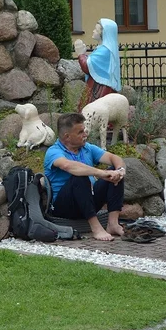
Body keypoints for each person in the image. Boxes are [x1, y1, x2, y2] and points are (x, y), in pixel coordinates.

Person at [43, 112, 126, 241]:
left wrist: (120, 171)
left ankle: (113, 224)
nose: (85, 134)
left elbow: (113, 158)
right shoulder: (53, 152)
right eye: (81, 132)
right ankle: (96, 228)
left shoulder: (87, 148)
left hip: (88, 201)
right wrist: (101, 173)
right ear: (67, 137)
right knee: (79, 177)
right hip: (64, 207)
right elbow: (68, 166)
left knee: (114, 172)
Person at [72, 19, 121, 107]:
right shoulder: (102, 49)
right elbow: (93, 63)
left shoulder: (105, 51)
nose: (93, 31)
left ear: (103, 33)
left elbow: (87, 66)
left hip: (100, 89)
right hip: (97, 85)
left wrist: (81, 54)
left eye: (96, 29)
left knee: (93, 113)